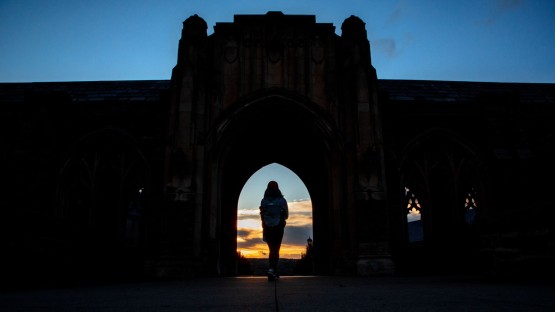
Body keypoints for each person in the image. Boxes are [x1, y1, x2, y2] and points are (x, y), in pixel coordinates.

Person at [259, 180, 288, 281]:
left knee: (271, 248)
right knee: (276, 248)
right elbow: (286, 215)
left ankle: (273, 269)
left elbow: (262, 215)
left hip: (267, 227)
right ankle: (272, 269)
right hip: (278, 226)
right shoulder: (282, 200)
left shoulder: (264, 201)